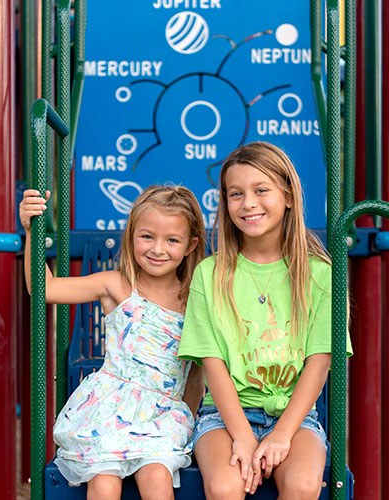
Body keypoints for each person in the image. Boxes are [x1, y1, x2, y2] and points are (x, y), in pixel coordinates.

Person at [178, 142, 352, 500]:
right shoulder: (211, 275)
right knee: (226, 487)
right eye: (235, 194)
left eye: (261, 190)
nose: (248, 203)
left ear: (287, 195)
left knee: (303, 485)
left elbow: (319, 363)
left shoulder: (320, 275)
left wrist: (282, 434)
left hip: (296, 416)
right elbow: (213, 365)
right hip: (223, 416)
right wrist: (242, 434)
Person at [20, 185, 206, 500]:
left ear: (190, 245)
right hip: (109, 412)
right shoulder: (117, 284)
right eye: (147, 236)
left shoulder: (194, 300)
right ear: (131, 235)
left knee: (157, 479)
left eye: (171, 240)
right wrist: (31, 233)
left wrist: (184, 417)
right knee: (104, 483)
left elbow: (196, 372)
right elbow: (45, 289)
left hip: (162, 418)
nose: (158, 249)